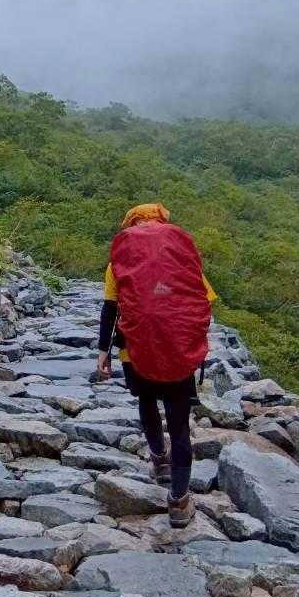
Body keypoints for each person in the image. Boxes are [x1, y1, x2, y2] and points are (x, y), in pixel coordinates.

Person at [96, 202, 217, 528]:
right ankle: (179, 501)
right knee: (179, 424)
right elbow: (203, 302)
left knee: (147, 401)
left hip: (134, 351)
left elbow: (110, 309)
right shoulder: (181, 258)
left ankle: (159, 460)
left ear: (131, 225)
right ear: (163, 223)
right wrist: (193, 343)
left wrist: (103, 350)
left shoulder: (119, 261)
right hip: (177, 352)